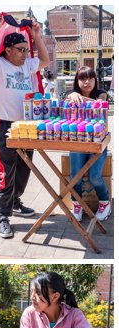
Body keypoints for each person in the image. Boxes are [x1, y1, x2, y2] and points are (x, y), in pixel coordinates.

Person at [0, 15, 50, 239]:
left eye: (25, 50)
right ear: (8, 49)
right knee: (5, 173)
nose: (25, 54)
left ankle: (15, 201)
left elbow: (45, 60)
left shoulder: (27, 66)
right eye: (20, 50)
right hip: (3, 126)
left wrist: (36, 37)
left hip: (25, 127)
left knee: (24, 169)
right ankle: (3, 217)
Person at [66, 66, 111, 222]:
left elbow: (101, 103)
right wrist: (71, 95)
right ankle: (76, 205)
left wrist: (82, 99)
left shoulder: (101, 94)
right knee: (75, 176)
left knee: (95, 177)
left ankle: (105, 203)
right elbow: (65, 102)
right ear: (77, 81)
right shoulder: (71, 95)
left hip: (98, 142)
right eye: (82, 79)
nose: (86, 82)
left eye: (90, 78)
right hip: (77, 142)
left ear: (95, 80)